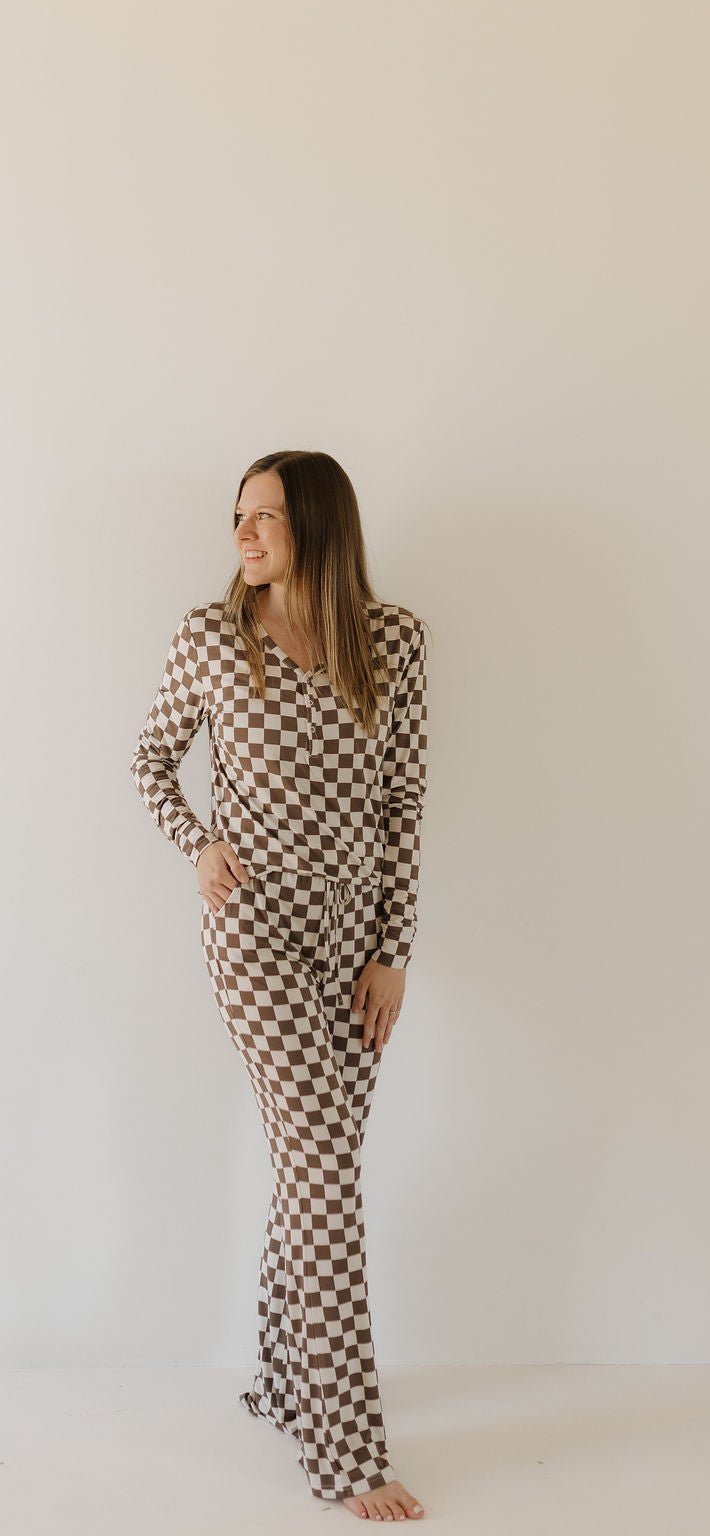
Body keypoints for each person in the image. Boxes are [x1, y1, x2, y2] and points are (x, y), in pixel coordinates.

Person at [129, 450, 428, 1522]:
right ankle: (347, 1453)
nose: (243, 533)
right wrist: (197, 842)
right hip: (252, 927)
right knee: (322, 1165)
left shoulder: (392, 641)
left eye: (266, 515)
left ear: (318, 525)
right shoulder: (212, 639)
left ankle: (284, 1382)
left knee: (316, 1165)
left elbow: (403, 802)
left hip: (354, 943)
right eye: (239, 515)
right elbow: (150, 761)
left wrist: (393, 950)